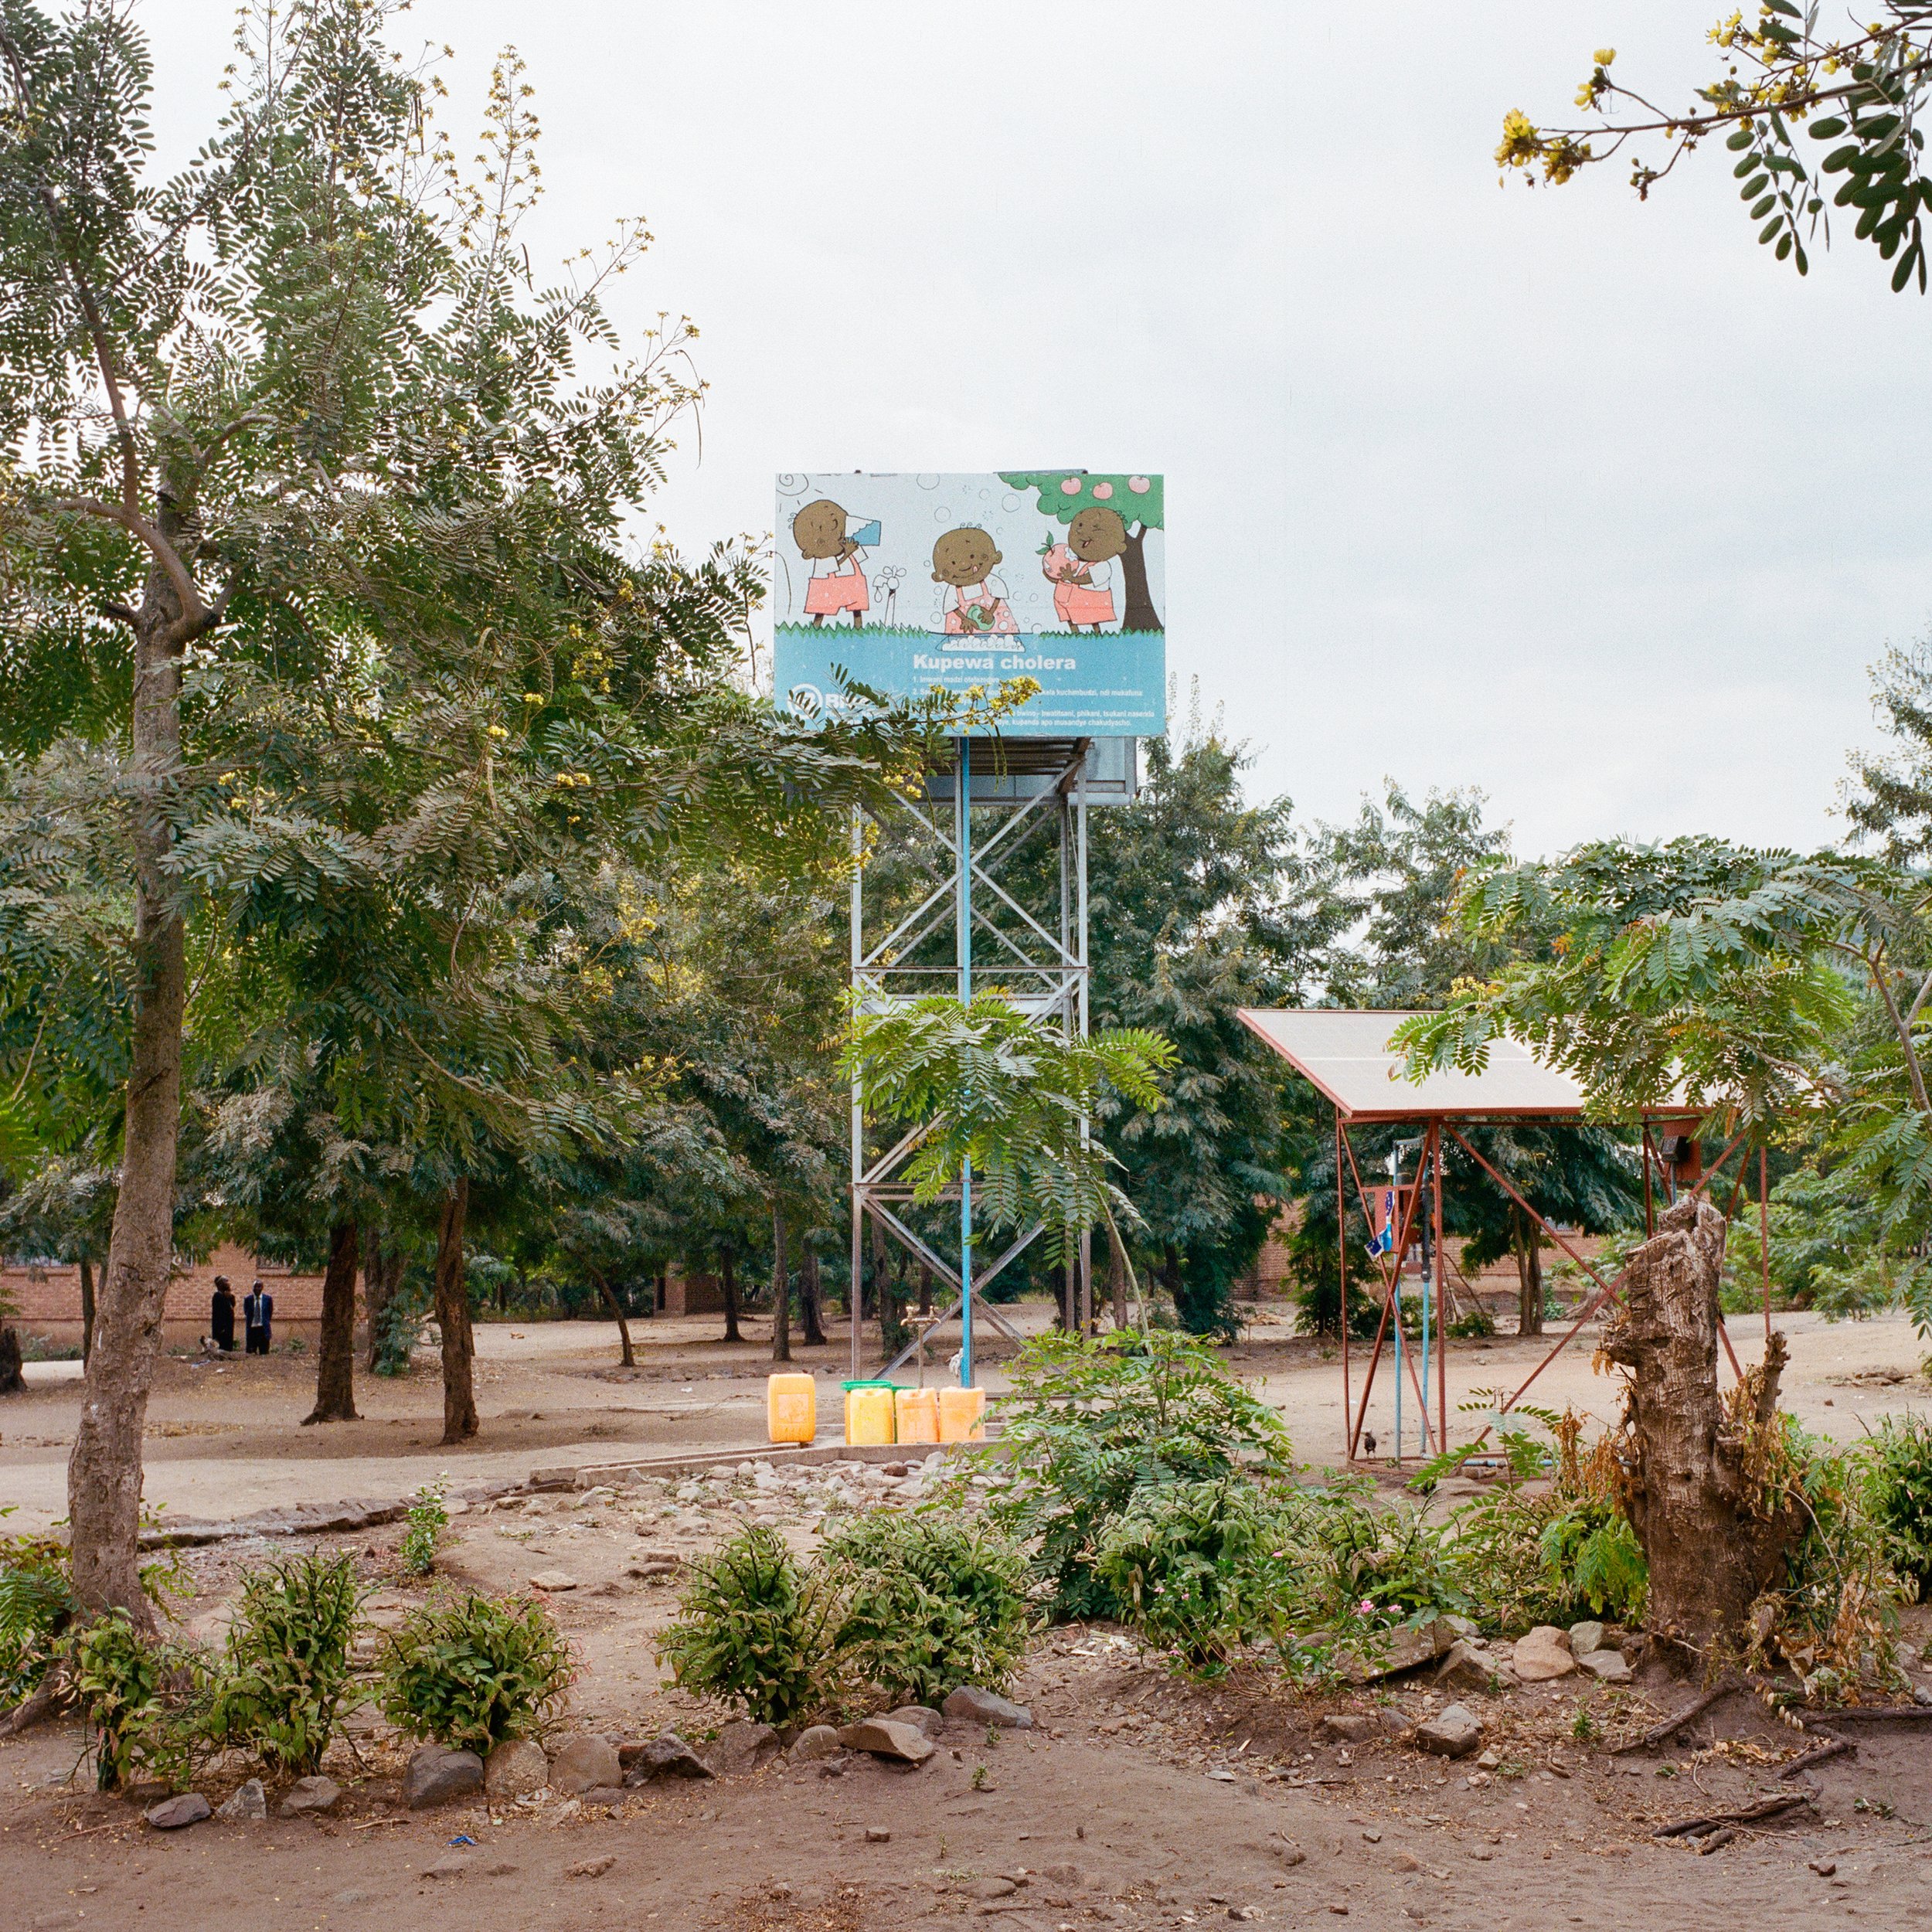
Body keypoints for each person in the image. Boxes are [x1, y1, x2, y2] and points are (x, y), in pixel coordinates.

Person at [243, 1278, 274, 1355]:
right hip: (252, 1329)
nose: (257, 1289)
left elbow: (269, 1313)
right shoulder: (248, 1299)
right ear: (253, 1288)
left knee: (264, 1353)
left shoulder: (268, 1299)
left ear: (262, 1288)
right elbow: (246, 1312)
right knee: (251, 1353)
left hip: (263, 1329)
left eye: (259, 1287)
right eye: (255, 1287)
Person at [210, 1275, 236, 1352]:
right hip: (221, 1329)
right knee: (222, 1349)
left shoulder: (227, 1296)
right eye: (226, 1281)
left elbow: (232, 1305)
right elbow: (219, 1314)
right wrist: (221, 1328)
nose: (228, 1283)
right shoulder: (218, 1296)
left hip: (228, 1328)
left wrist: (230, 1296)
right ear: (220, 1284)